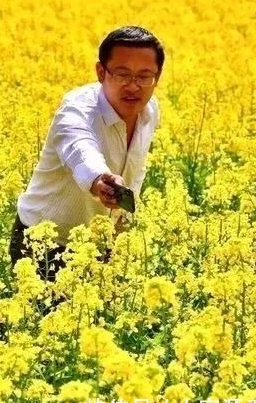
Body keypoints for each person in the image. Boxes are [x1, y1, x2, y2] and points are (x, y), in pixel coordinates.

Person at [9, 25, 165, 281]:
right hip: (45, 243)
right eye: (122, 74)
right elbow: (79, 147)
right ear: (101, 72)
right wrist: (99, 179)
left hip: (101, 244)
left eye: (145, 76)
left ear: (157, 78)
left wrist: (122, 228)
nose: (134, 86)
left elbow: (136, 168)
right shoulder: (77, 110)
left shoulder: (149, 111)